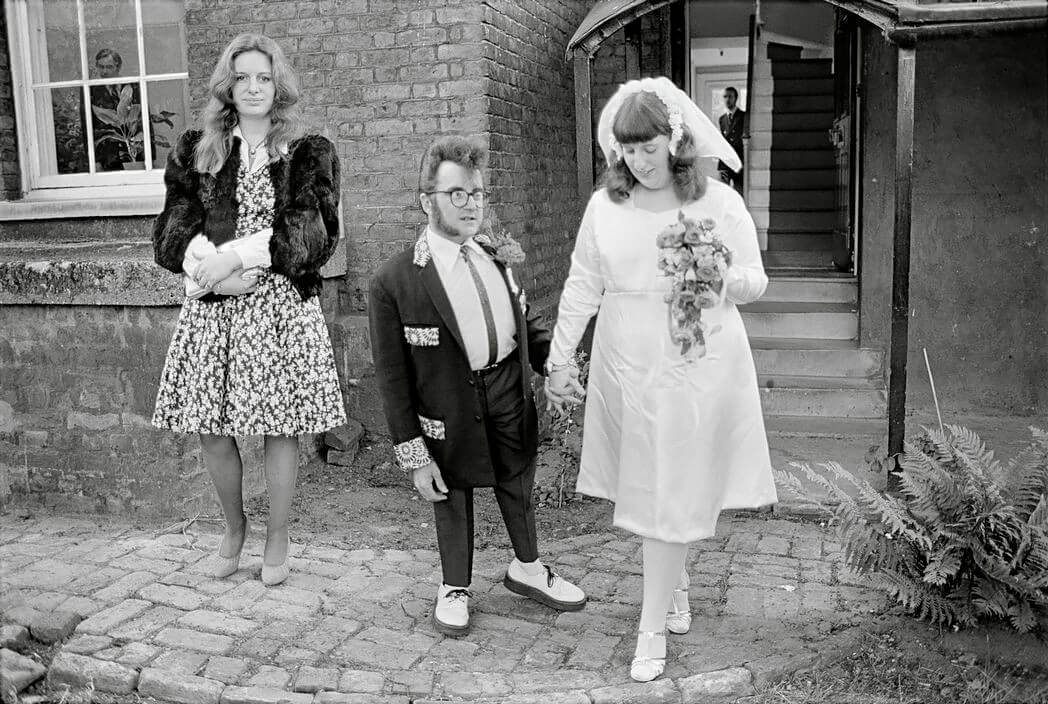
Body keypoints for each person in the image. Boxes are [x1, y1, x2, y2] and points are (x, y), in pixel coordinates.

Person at [546, 77, 777, 682]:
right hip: (628, 365)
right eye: (628, 149)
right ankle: (674, 586)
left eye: (649, 147)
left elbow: (756, 280)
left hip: (697, 365)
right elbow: (581, 285)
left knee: (671, 490)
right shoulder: (605, 207)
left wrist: (723, 277)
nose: (639, 160)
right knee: (650, 490)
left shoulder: (718, 203)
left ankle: (650, 627)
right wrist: (561, 359)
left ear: (675, 140)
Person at [368, 135, 587, 637]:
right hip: (445, 408)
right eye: (457, 194)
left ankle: (528, 568)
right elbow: (393, 378)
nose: (471, 205)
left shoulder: (495, 257)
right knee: (452, 496)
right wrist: (413, 455)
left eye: (478, 193)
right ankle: (454, 586)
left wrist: (555, 364)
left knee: (518, 483)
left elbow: (525, 325)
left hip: (509, 391)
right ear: (427, 201)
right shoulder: (396, 281)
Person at [151, 34, 346, 587]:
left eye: (263, 77)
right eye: (243, 78)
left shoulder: (308, 150)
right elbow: (172, 225)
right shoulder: (198, 148)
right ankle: (233, 527)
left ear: (277, 83)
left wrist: (235, 256)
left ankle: (277, 536)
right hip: (213, 310)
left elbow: (313, 232)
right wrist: (207, 269)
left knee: (278, 427)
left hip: (281, 309)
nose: (254, 87)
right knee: (211, 426)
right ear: (228, 86)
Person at [88, 49, 142, 170]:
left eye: (109, 67)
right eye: (101, 67)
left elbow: (144, 120)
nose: (104, 71)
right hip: (106, 155)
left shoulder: (132, 86)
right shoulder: (91, 89)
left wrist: (150, 156)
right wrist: (94, 160)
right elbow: (87, 126)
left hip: (133, 154)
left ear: (118, 67)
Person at [717, 87, 746, 194]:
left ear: (736, 98)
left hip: (739, 161)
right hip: (725, 161)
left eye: (730, 96)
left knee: (739, 193)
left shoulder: (744, 116)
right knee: (723, 193)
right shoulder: (722, 119)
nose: (727, 99)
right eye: (725, 97)